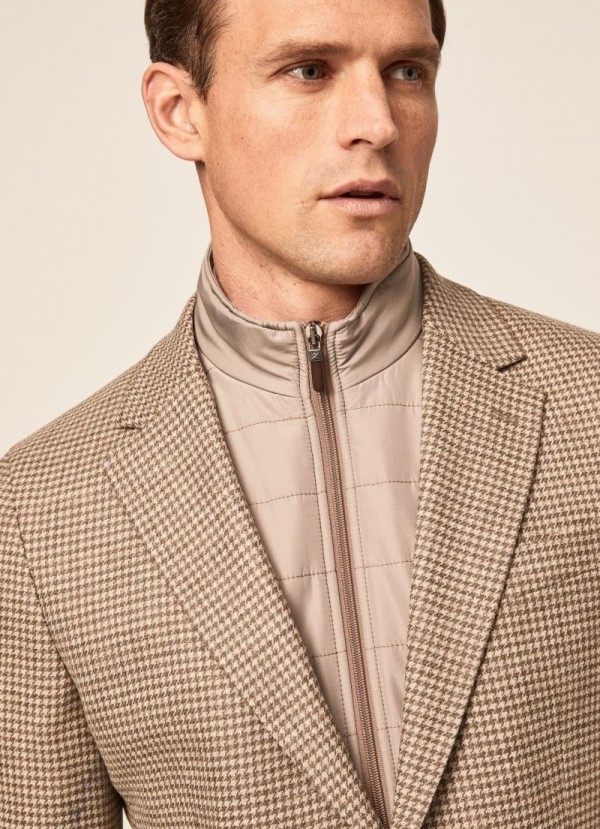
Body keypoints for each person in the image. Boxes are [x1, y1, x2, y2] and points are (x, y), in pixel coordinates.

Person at [1, 0, 598, 826]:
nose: (377, 123)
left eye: (407, 71)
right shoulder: (38, 511)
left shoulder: (588, 406)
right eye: (309, 70)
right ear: (179, 111)